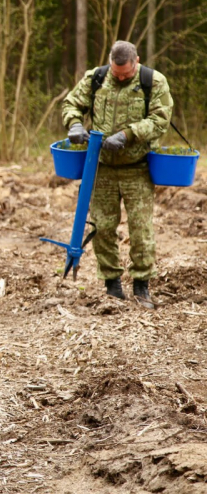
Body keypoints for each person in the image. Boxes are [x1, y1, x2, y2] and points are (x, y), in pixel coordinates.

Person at [61, 41, 173, 309]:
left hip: (138, 168)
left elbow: (160, 119)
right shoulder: (96, 78)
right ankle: (112, 284)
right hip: (101, 169)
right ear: (110, 63)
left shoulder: (153, 82)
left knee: (141, 229)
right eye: (116, 73)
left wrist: (127, 134)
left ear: (136, 61)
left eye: (126, 74)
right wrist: (75, 124)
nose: (121, 77)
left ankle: (141, 286)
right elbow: (71, 104)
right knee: (102, 227)